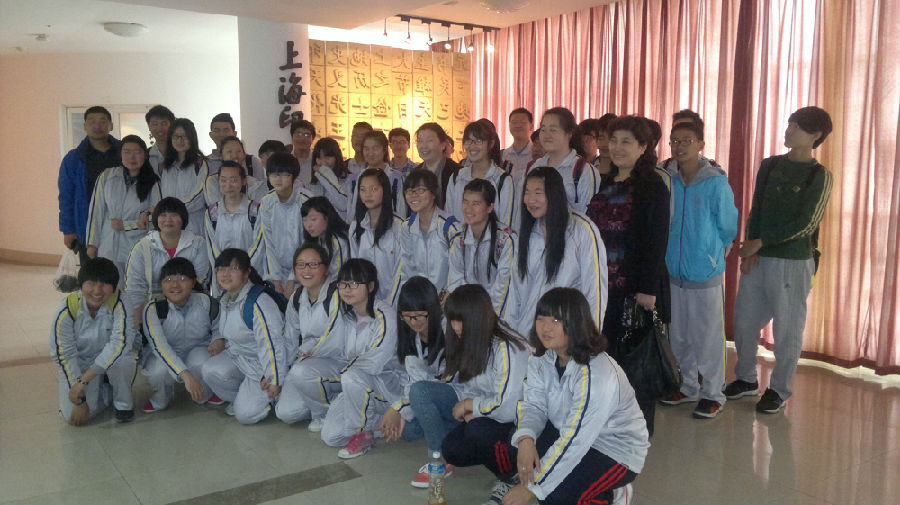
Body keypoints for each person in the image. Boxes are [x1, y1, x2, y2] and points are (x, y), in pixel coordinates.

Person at [726, 106, 834, 414]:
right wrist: (751, 249)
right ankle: (746, 379)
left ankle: (779, 389)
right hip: (759, 258)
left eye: (797, 127)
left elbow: (807, 223)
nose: (789, 130)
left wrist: (761, 242)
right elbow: (756, 208)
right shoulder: (770, 165)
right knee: (744, 322)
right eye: (789, 124)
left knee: (787, 329)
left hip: (793, 262)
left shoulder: (819, 175)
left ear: (815, 135)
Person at [499, 288, 648, 505]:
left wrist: (532, 488)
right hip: (569, 429)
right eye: (541, 319)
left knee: (554, 496)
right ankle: (595, 489)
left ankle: (610, 495)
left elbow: (575, 440)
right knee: (518, 443)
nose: (546, 328)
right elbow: (533, 404)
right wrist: (526, 439)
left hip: (614, 449)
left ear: (576, 324)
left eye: (556, 320)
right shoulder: (542, 356)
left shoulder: (597, 374)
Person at [586, 115, 670, 436]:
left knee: (635, 360)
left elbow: (656, 240)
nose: (617, 147)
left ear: (643, 147)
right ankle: (609, 423)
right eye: (613, 140)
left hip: (635, 288)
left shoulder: (652, 185)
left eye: (626, 142)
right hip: (603, 287)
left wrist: (647, 289)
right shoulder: (605, 181)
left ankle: (637, 430)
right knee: (608, 357)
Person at [659, 121, 738, 419]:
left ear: (701, 145)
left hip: (705, 271)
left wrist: (712, 254)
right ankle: (688, 386)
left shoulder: (715, 181)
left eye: (687, 140)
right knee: (679, 336)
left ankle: (713, 393)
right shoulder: (667, 178)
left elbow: (728, 226)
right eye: (675, 141)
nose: (680, 146)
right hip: (673, 271)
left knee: (708, 337)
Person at [438, 284, 530, 505]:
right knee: (452, 449)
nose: (454, 326)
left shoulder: (507, 348)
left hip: (522, 422)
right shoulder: (471, 338)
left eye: (460, 320)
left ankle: (511, 477)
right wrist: (471, 407)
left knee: (478, 431)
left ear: (477, 317)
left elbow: (508, 408)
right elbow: (470, 385)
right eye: (451, 319)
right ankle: (502, 459)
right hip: (494, 413)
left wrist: (473, 406)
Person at [505, 167, 607, 337]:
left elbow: (595, 292)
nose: (531, 200)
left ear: (554, 194)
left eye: (538, 192)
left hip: (566, 336)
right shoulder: (528, 233)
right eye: (527, 192)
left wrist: (589, 340)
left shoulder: (582, 231)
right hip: (527, 337)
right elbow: (515, 292)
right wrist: (511, 336)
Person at [317, 259, 403, 458]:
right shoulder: (347, 314)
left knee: (352, 376)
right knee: (331, 436)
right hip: (360, 386)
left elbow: (375, 362)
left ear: (371, 286)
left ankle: (364, 435)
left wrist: (346, 372)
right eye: (343, 284)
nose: (347, 289)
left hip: (387, 388)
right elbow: (333, 344)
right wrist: (309, 351)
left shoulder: (386, 316)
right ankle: (380, 423)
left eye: (354, 284)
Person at [379, 277, 456, 488]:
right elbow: (415, 380)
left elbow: (439, 384)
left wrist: (398, 407)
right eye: (407, 317)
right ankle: (447, 436)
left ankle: (439, 459)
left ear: (433, 309)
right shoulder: (411, 338)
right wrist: (397, 409)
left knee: (419, 394)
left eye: (420, 315)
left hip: (458, 398)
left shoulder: (449, 330)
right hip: (434, 399)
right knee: (405, 430)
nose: (414, 322)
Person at [201, 248, 287, 424]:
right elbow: (229, 328)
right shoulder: (226, 298)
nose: (225, 274)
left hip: (262, 366)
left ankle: (274, 395)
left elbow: (272, 344)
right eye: (221, 269)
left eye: (233, 268)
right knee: (210, 370)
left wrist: (274, 378)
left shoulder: (259, 302)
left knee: (246, 415)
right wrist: (220, 340)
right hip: (239, 358)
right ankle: (244, 397)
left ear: (247, 273)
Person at [51, 257, 136, 425]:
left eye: (104, 284)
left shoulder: (121, 302)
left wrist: (84, 380)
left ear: (114, 287)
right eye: (91, 283)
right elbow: (65, 355)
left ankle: (123, 404)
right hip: (81, 362)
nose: (97, 291)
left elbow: (119, 344)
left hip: (113, 360)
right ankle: (105, 390)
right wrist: (79, 396)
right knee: (72, 417)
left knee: (123, 361)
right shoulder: (67, 309)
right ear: (81, 284)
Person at [141, 258, 223, 413]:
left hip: (196, 350)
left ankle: (203, 391)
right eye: (168, 280)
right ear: (161, 284)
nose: (175, 285)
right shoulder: (154, 309)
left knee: (203, 361)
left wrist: (218, 340)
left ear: (193, 282)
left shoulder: (206, 302)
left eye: (183, 279)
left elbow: (219, 326)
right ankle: (161, 397)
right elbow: (160, 347)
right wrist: (185, 375)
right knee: (159, 371)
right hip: (165, 354)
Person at [275, 243, 342, 427]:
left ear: (326, 268)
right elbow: (288, 340)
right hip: (309, 363)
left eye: (313, 264)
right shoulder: (297, 297)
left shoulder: (338, 294)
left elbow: (338, 338)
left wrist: (310, 351)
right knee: (286, 413)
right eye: (301, 265)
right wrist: (277, 376)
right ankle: (330, 398)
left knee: (301, 372)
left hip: (338, 362)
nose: (306, 270)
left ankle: (324, 414)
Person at [123, 197, 209, 329]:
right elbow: (134, 289)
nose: (168, 219)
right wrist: (139, 322)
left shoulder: (198, 244)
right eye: (163, 215)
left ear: (183, 218)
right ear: (156, 219)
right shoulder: (142, 248)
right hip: (153, 312)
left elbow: (199, 281)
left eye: (174, 215)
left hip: (191, 310)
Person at [85, 134, 161, 284]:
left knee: (135, 288)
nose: (132, 157)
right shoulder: (106, 176)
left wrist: (126, 225)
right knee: (109, 287)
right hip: (108, 244)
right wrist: (92, 244)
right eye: (126, 152)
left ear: (145, 155)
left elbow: (157, 218)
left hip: (137, 245)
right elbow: (96, 212)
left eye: (137, 152)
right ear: (120, 155)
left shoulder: (153, 182)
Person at [447, 179, 516, 314]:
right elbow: (455, 281)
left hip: (498, 313)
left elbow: (503, 287)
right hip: (468, 311)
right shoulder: (458, 239)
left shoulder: (505, 240)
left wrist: (489, 318)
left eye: (476, 203)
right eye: (465, 201)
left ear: (490, 207)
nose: (468, 209)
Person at [58, 105, 121, 251]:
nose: (97, 126)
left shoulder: (124, 152)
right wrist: (68, 229)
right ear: (85, 126)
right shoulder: (74, 158)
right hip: (87, 225)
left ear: (111, 125)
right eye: (92, 121)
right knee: (91, 265)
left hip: (121, 224)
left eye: (102, 121)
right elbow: (66, 196)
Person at [203, 161, 265, 295]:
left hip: (249, 276)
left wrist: (242, 271)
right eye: (223, 180)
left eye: (234, 180)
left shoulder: (255, 210)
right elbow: (212, 249)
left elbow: (258, 246)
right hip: (223, 280)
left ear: (244, 181)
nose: (228, 185)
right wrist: (225, 272)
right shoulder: (212, 213)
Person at [526, 107, 599, 216]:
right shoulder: (535, 167)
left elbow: (588, 217)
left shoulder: (583, 171)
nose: (546, 135)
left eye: (553, 130)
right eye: (543, 129)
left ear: (569, 133)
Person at [259, 152, 312, 298]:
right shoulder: (266, 202)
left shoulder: (306, 200)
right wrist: (276, 280)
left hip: (306, 267)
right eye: (273, 174)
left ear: (293, 176)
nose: (278, 179)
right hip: (278, 270)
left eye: (284, 174)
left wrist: (292, 279)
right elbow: (268, 243)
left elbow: (308, 242)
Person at [397, 170, 459, 294]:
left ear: (433, 193)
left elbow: (457, 271)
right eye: (409, 191)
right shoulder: (406, 227)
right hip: (419, 300)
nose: (413, 195)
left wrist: (447, 294)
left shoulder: (450, 227)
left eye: (420, 190)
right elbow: (406, 268)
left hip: (448, 298)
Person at [348, 168, 404, 304]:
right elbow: (356, 268)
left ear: (384, 190)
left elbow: (401, 271)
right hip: (365, 302)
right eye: (363, 190)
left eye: (373, 189)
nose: (368, 194)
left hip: (394, 302)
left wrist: (390, 305)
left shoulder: (399, 227)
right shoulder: (356, 227)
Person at [445, 120, 514, 226]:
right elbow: (449, 217)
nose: (472, 146)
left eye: (478, 140)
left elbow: (505, 223)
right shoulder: (456, 177)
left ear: (491, 144)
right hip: (459, 236)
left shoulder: (502, 180)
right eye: (468, 140)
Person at [159, 118, 209, 236]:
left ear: (192, 138)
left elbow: (200, 196)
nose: (180, 140)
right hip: (169, 225)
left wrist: (174, 211)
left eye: (185, 136)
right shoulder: (166, 167)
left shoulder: (200, 164)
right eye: (176, 136)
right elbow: (163, 196)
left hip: (194, 225)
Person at [345, 130, 407, 219]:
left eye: (375, 148)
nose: (370, 153)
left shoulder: (396, 178)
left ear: (384, 149)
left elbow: (401, 212)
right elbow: (352, 212)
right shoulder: (355, 179)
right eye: (366, 149)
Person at [204, 136, 268, 203]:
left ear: (244, 155)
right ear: (221, 156)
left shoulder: (251, 182)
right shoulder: (213, 181)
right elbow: (217, 206)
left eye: (238, 151)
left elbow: (259, 205)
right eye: (229, 152)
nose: (235, 156)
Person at [414, 123, 461, 209]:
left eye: (429, 141)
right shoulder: (415, 173)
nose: (424, 146)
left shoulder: (457, 173)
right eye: (420, 141)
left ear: (443, 145)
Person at [301, 196, 350, 275]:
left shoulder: (339, 240)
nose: (308, 225)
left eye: (313, 219)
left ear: (327, 217)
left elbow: (338, 276)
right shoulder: (316, 239)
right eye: (305, 220)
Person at [308, 137, 351, 221]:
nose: (323, 162)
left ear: (336, 158)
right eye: (319, 158)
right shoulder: (313, 184)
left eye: (327, 157)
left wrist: (326, 176)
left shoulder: (348, 180)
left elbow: (343, 205)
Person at [501, 108, 534, 178]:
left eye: (522, 122)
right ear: (509, 125)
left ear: (531, 126)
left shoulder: (536, 154)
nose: (518, 125)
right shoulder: (503, 155)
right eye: (514, 122)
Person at [145, 105, 175, 172]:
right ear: (149, 127)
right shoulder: (145, 156)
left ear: (171, 126)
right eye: (154, 124)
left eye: (164, 123)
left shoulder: (181, 153)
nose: (159, 128)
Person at [289, 119, 317, 186]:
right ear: (292, 137)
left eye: (307, 135)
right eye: (298, 134)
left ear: (312, 139)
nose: (302, 139)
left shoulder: (317, 161)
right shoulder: (285, 161)